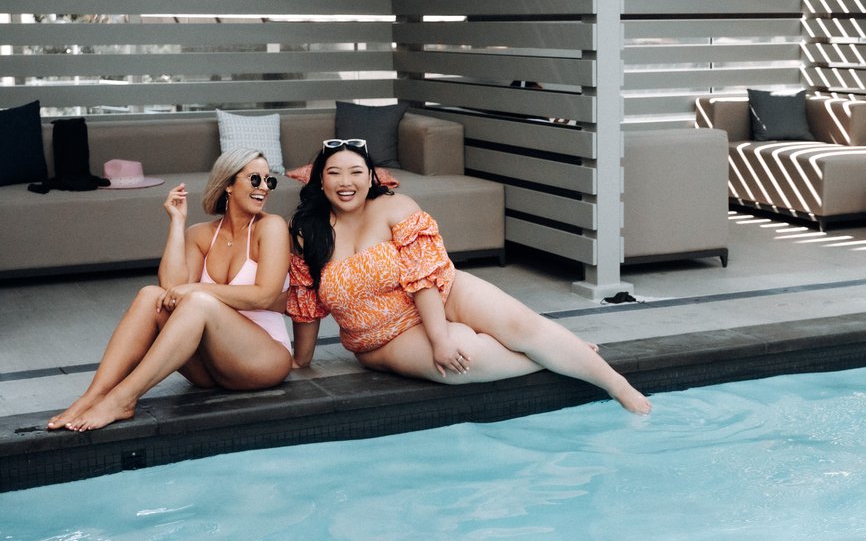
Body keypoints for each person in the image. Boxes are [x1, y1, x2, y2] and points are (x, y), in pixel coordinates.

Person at [286, 138, 651, 414]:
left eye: (355, 172)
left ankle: (616, 384)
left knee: (522, 328)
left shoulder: (395, 207)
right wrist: (301, 360)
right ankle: (560, 355)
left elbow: (424, 279)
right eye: (334, 173)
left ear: (371, 178)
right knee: (465, 360)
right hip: (383, 337)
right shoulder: (307, 231)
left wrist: (439, 335)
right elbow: (306, 304)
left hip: (443, 292)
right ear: (320, 180)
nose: (345, 182)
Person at [47, 148, 296, 432]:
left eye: (269, 181)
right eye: (255, 179)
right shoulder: (201, 234)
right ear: (228, 183)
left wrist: (197, 289)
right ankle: (92, 396)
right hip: (211, 368)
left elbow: (264, 295)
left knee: (198, 301)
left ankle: (123, 398)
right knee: (149, 295)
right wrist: (177, 224)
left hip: (262, 360)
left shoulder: (271, 227)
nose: (264, 188)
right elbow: (171, 291)